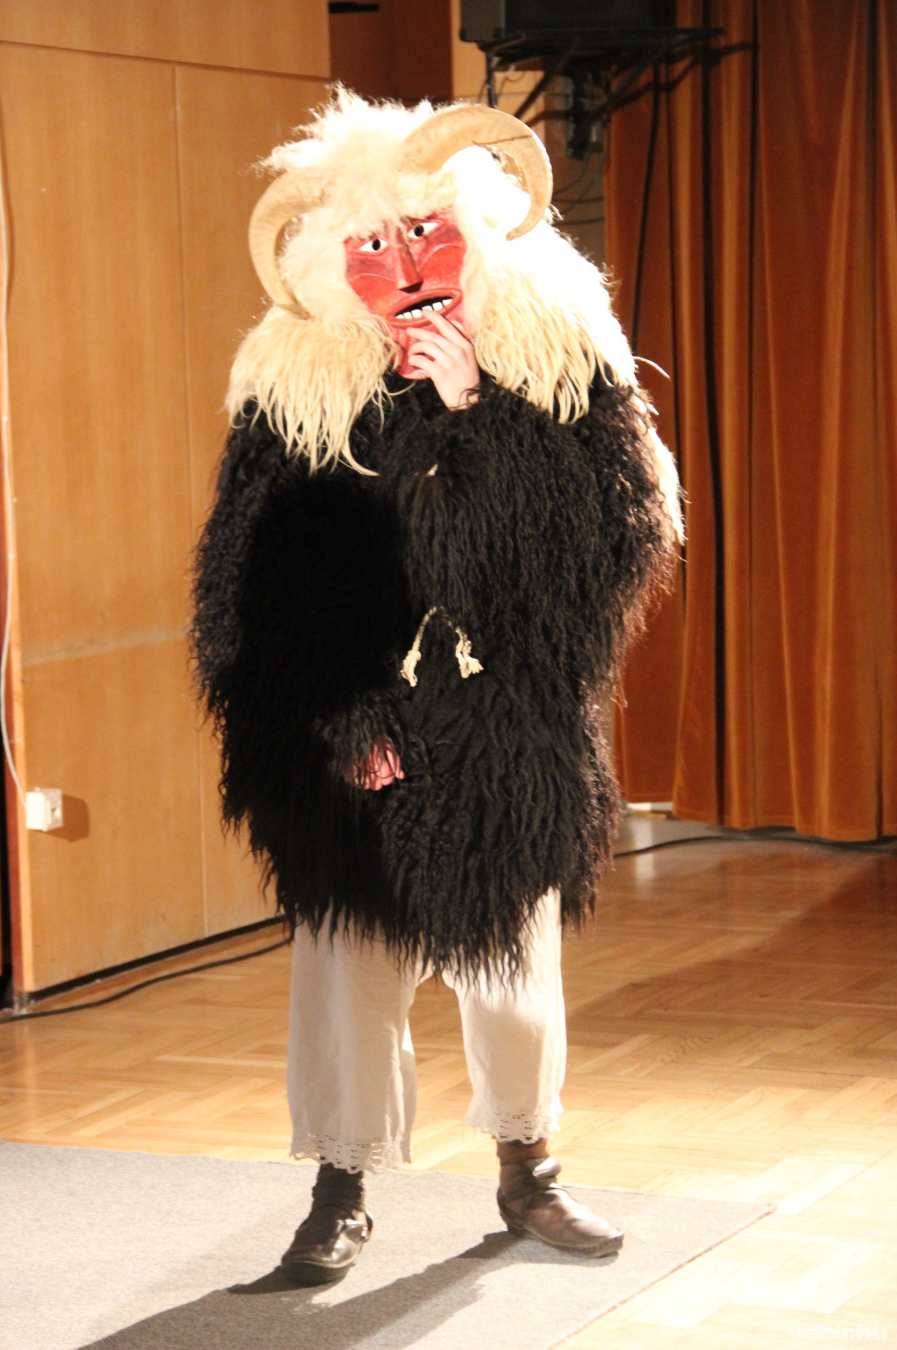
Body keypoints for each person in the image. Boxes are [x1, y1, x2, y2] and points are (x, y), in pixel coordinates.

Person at [191, 91, 681, 1286]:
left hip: (503, 725)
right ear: (331, 267)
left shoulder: (560, 364)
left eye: (425, 233)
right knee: (345, 961)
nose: (405, 268)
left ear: (480, 233)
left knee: (513, 963)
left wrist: (477, 415)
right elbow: (255, 582)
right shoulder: (298, 395)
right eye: (372, 245)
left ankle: (529, 1169)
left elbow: (606, 551)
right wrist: (336, 713)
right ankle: (340, 1185)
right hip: (360, 730)